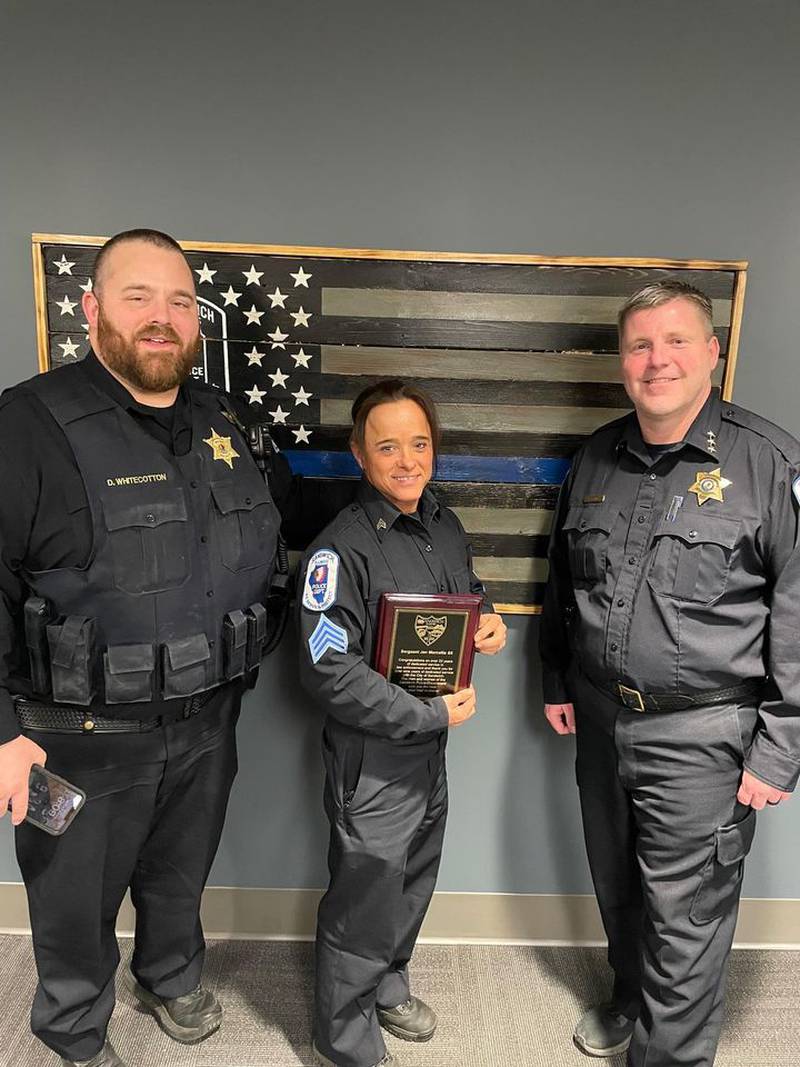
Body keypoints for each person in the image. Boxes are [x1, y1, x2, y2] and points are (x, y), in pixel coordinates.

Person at [0, 228, 341, 1067]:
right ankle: (75, 1034)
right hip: (69, 742)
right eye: (138, 296)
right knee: (71, 900)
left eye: (180, 301)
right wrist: (3, 732)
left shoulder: (228, 419)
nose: (162, 318)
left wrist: (416, 527)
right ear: (91, 311)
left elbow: (301, 519)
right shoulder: (26, 426)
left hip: (205, 723)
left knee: (179, 872)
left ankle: (169, 973)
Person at [540, 279, 800, 1067]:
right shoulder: (596, 456)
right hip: (600, 719)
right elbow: (563, 578)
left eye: (678, 340)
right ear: (623, 361)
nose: (659, 360)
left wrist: (781, 745)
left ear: (714, 352)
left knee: (685, 921)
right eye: (642, 345)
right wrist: (556, 679)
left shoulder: (769, 463)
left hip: (705, 734)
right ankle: (630, 1001)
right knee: (620, 889)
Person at [297, 380, 507, 1067]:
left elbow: (462, 596)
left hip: (430, 745)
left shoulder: (443, 524)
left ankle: (387, 984)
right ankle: (346, 1036)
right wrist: (423, 712)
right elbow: (327, 667)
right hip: (374, 753)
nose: (407, 458)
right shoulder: (338, 550)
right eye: (387, 445)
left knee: (413, 876)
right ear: (361, 455)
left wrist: (488, 622)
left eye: (419, 443)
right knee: (365, 895)